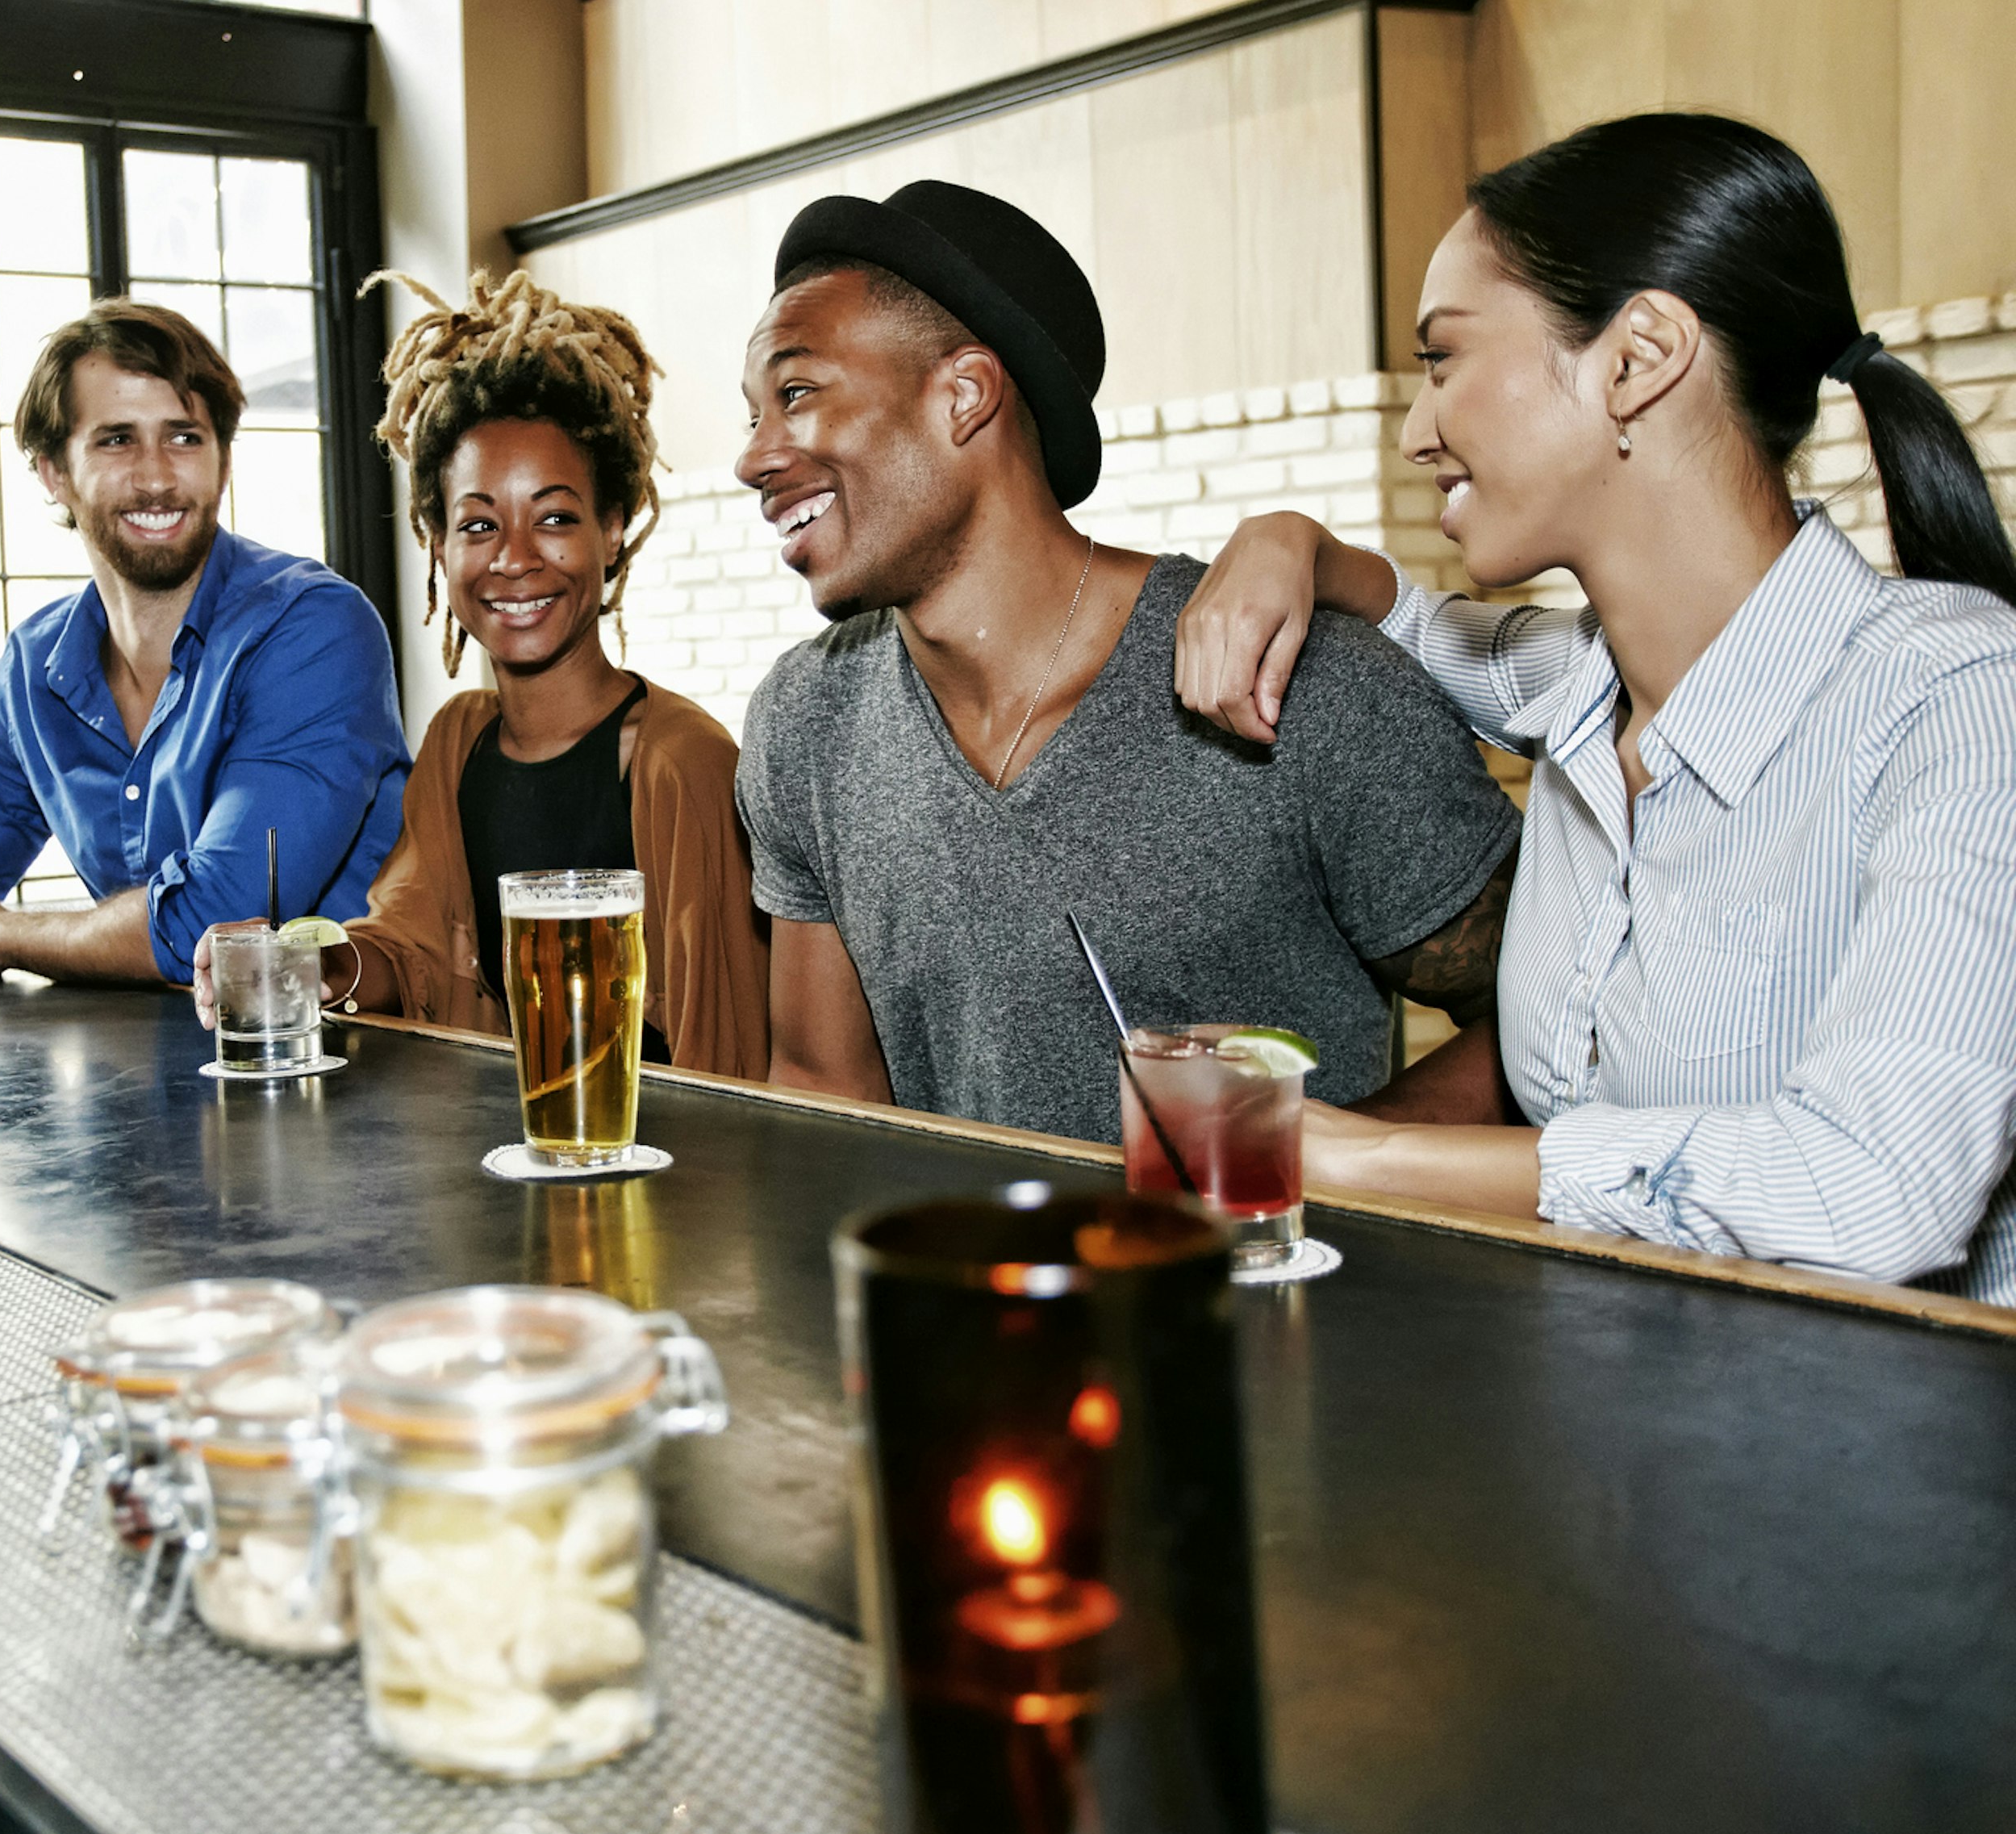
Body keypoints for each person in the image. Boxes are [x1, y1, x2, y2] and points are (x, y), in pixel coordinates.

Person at [1175, 114, 2016, 1302]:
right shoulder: (1576, 682)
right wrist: (1285, 543)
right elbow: (1409, 619)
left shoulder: (1964, 704)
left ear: (1638, 357)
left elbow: (1873, 1188)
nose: (1417, 432)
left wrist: (1350, 1154)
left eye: (1445, 359)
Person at [731, 181, 1522, 1143]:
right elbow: (824, 1092)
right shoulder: (804, 725)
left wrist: (1316, 1175)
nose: (753, 457)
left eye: (797, 394)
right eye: (753, 414)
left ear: (964, 396)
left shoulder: (1302, 685)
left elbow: (1547, 1027)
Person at [190, 270, 769, 1073]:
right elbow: (411, 952)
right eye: (478, 524)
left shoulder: (681, 763)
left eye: (557, 517)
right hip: (510, 1168)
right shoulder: (459, 740)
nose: (517, 558)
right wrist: (312, 965)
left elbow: (733, 1060)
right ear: (437, 544)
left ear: (613, 527)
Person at [0, 300, 406, 999]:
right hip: (157, 1071)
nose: (156, 478)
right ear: (52, 471)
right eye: (117, 440)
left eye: (184, 438)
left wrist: (3, 933)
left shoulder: (313, 628)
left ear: (223, 461)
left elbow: (223, 923)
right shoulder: (36, 667)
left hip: (349, 1056)